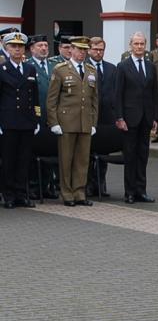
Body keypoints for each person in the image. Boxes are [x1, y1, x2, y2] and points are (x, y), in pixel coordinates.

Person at [46, 36, 97, 207]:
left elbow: (94, 99)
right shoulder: (60, 69)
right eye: (78, 49)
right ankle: (67, 193)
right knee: (66, 159)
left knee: (82, 160)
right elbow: (52, 99)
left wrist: (94, 123)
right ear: (71, 50)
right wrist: (53, 122)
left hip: (85, 122)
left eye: (84, 50)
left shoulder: (91, 70)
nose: (81, 53)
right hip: (66, 121)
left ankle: (79, 192)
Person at [115, 32, 158, 204]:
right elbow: (118, 94)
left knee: (143, 155)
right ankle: (130, 192)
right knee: (130, 155)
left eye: (142, 44)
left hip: (146, 118)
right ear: (130, 45)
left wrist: (155, 116)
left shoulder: (151, 66)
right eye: (136, 44)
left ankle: (141, 190)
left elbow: (154, 93)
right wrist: (119, 117)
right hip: (129, 118)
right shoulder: (123, 66)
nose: (139, 47)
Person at [0, 32, 39, 208]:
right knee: (9, 160)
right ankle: (8, 195)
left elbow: (35, 96)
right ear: (7, 49)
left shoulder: (30, 69)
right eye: (13, 46)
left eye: (20, 46)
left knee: (24, 159)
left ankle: (21, 194)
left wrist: (36, 118)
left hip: (27, 121)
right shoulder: (2, 69)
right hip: (8, 121)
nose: (17, 49)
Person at [27, 34, 59, 199]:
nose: (44, 48)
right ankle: (33, 186)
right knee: (34, 153)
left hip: (53, 117)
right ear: (32, 49)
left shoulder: (55, 66)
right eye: (40, 46)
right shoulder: (28, 66)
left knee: (51, 151)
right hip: (37, 116)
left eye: (46, 45)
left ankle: (47, 185)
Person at [86, 37, 117, 198]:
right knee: (88, 153)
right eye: (95, 49)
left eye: (101, 49)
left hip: (107, 118)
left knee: (104, 153)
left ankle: (100, 184)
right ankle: (88, 185)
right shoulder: (84, 67)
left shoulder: (111, 68)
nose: (98, 52)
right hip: (90, 117)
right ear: (89, 50)